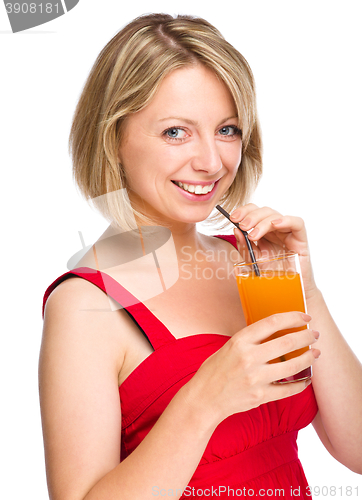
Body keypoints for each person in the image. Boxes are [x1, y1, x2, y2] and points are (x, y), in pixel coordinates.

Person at [39, 13, 362, 500]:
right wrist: (204, 400)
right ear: (113, 140)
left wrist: (306, 290)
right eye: (175, 132)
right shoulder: (86, 306)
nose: (212, 161)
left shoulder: (251, 264)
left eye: (227, 129)